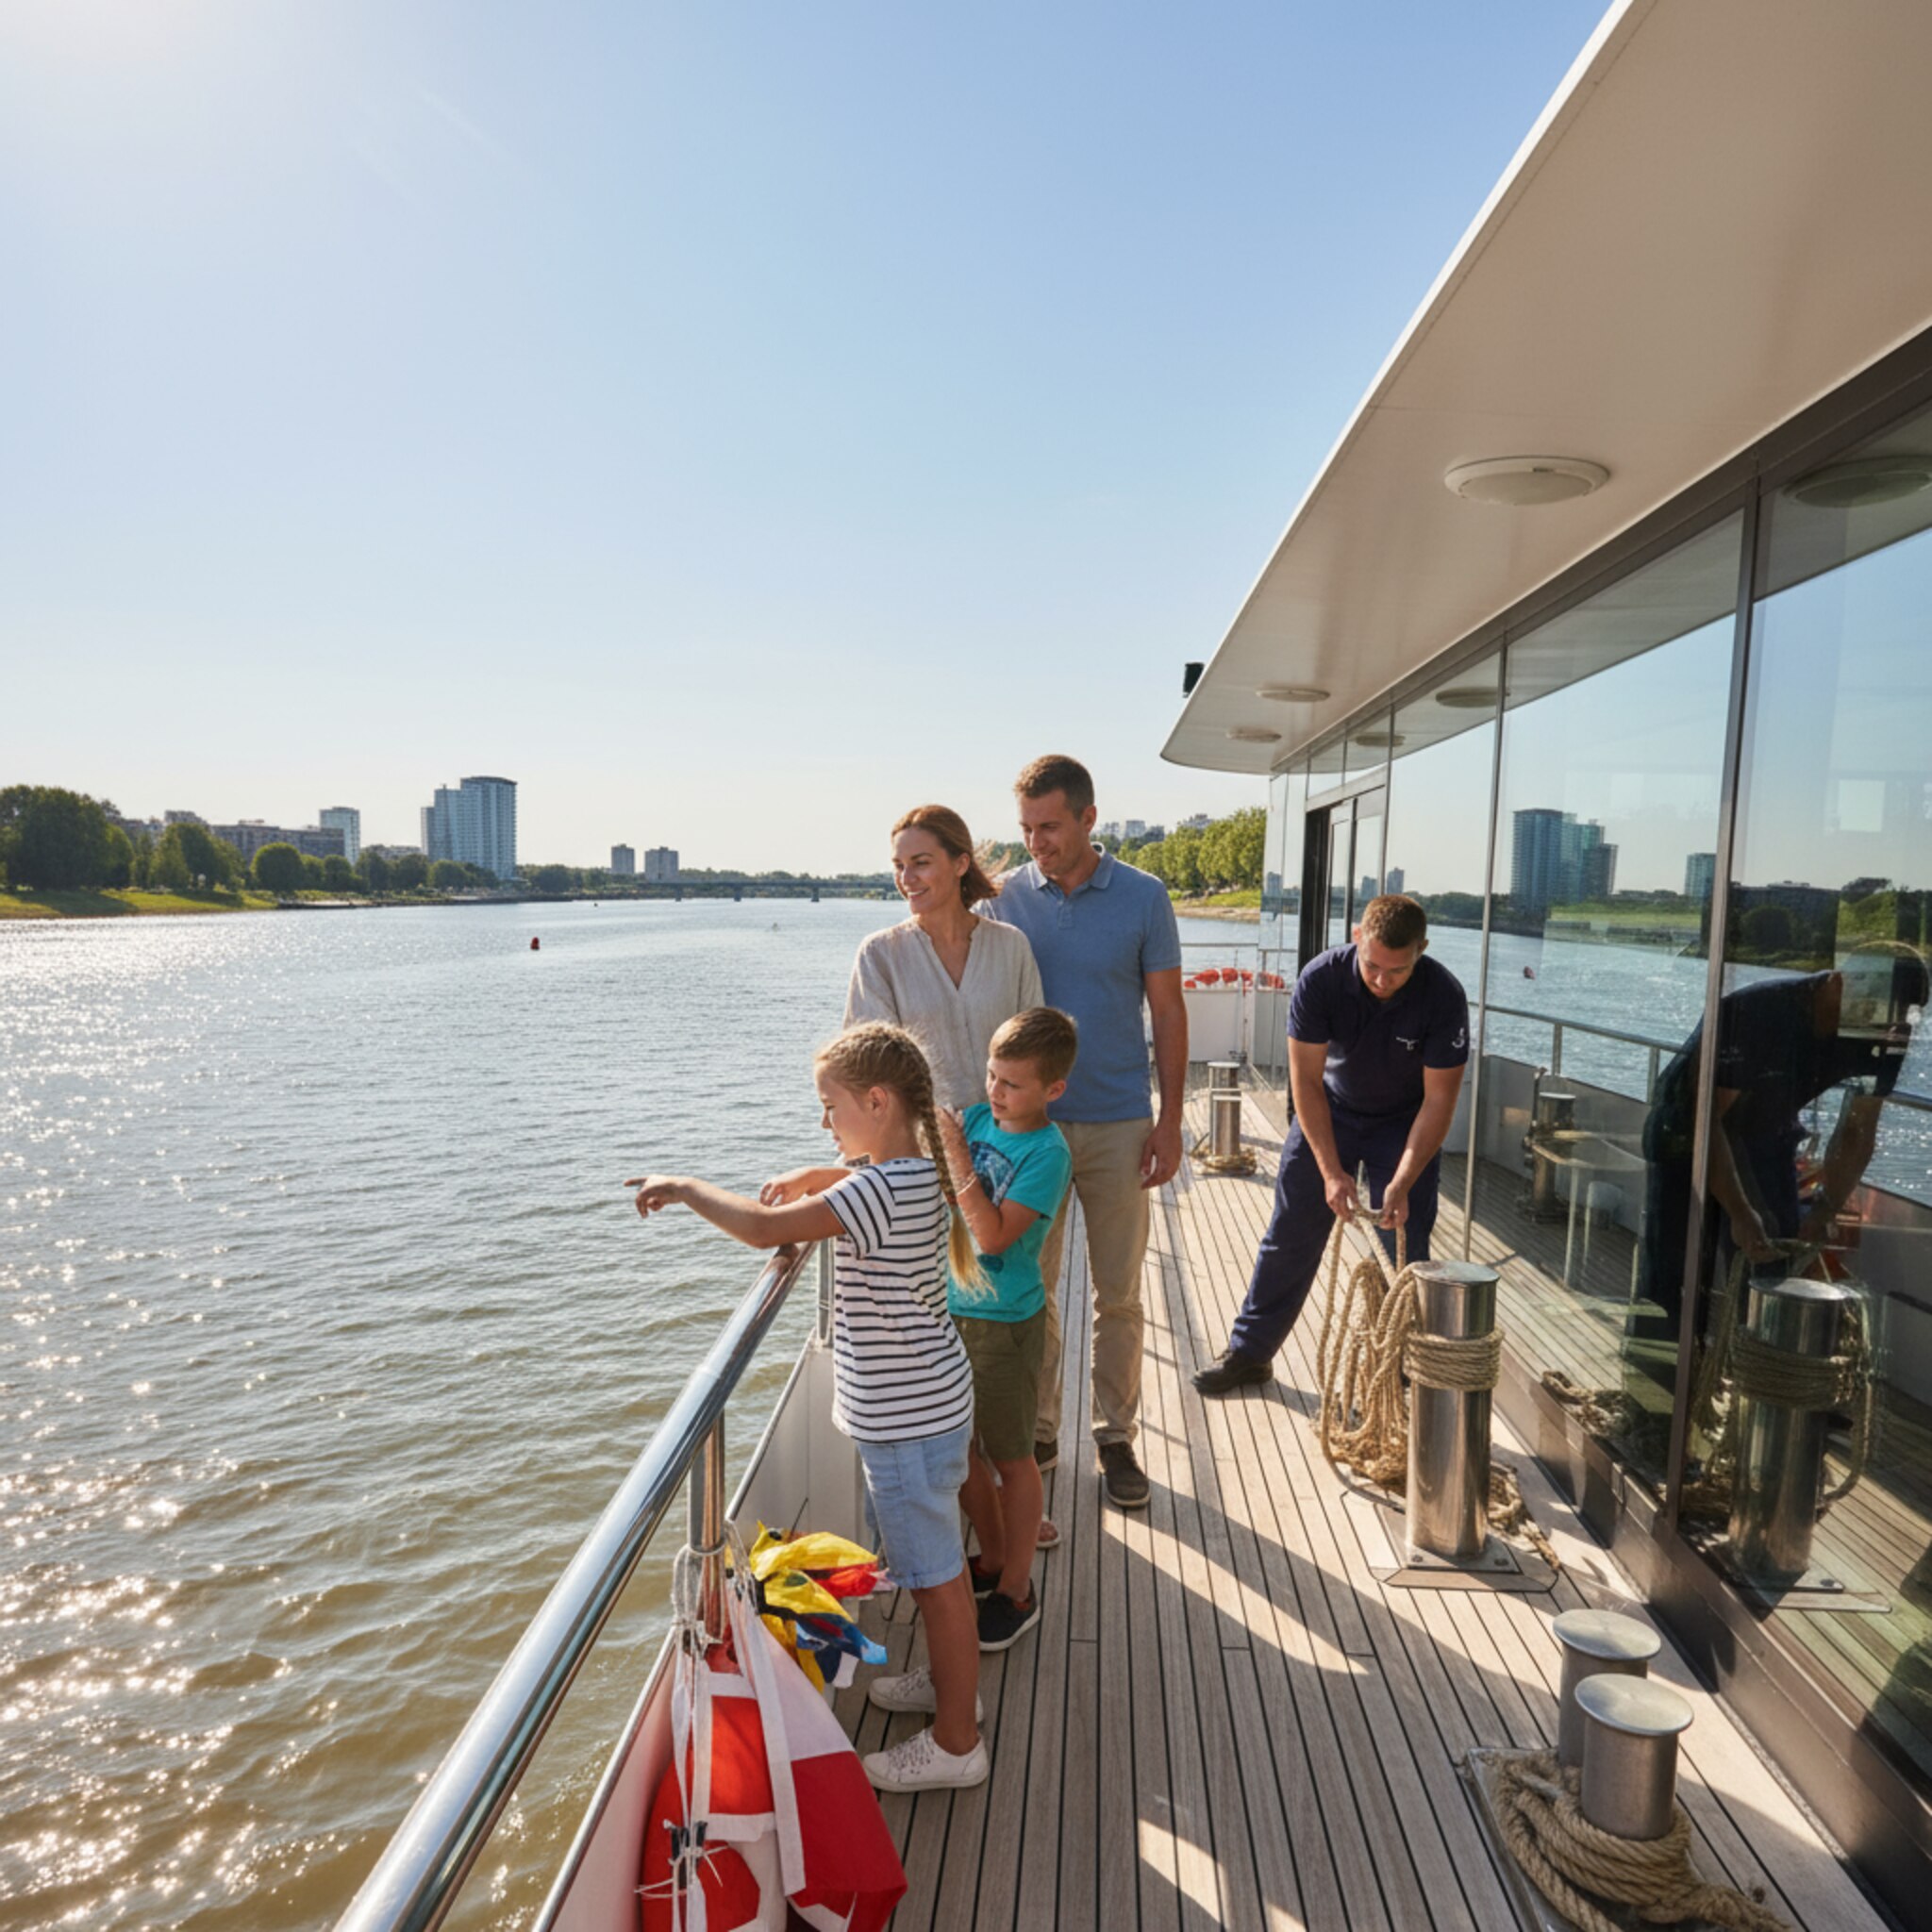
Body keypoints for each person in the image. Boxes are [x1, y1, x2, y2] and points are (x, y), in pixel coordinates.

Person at [625, 1022, 988, 1794]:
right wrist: (820, 1173)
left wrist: (686, 1186)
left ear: (877, 1101)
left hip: (907, 1423)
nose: (826, 1123)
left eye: (831, 1108)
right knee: (939, 1569)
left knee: (936, 1577)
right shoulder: (913, 1174)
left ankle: (958, 1742)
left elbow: (762, 1232)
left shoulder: (874, 1191)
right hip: (934, 1402)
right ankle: (950, 1685)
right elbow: (861, 1185)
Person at [980, 755, 1186, 1508]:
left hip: (1118, 1124)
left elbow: (1167, 1011)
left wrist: (1169, 1119)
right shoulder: (1006, 900)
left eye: (1050, 826)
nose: (1036, 841)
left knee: (1119, 1292)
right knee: (1032, 1289)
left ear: (1089, 819)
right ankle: (1038, 1434)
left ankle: (1116, 1435)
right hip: (1032, 1133)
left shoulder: (1144, 897)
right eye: (1026, 828)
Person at [1195, 893, 1470, 1394]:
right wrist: (1330, 1172)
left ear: (1421, 951)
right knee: (1290, 1233)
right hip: (1332, 1110)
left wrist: (1404, 1179)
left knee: (1402, 1246)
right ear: (1357, 938)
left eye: (1398, 971)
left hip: (1404, 1123)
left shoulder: (1443, 997)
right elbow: (1306, 1084)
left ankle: (1399, 1377)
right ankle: (1250, 1353)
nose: (1382, 981)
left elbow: (1439, 1103)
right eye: (1373, 967)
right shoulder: (1320, 979)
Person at [1632, 940, 1928, 1345]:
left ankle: (1752, 1383)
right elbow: (1704, 1118)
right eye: (1876, 1013)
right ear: (1840, 984)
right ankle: (1652, 1393)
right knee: (1670, 1273)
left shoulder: (1888, 1034)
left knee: (1770, 1273)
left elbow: (1858, 1132)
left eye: (1896, 1018)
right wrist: (1738, 1210)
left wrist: (1827, 1206)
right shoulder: (1758, 1014)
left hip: (1765, 1136)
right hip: (1684, 1132)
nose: (1883, 1029)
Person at [935, 1008, 1077, 1652]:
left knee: (1014, 1460)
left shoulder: (1048, 1154)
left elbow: (990, 1236)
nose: (994, 1093)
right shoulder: (977, 1117)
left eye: (1012, 1084)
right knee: (961, 1450)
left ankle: (1018, 1590)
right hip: (952, 1312)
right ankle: (991, 1559)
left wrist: (958, 1152)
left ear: (1053, 1090)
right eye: (992, 1077)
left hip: (1005, 1325)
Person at [845, 804, 1043, 1111]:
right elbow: (869, 1072)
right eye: (898, 866)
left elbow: (1035, 1053)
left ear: (960, 864)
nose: (906, 878)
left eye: (920, 863)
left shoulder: (1011, 946)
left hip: (1006, 1143)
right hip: (920, 1149)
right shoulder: (878, 955)